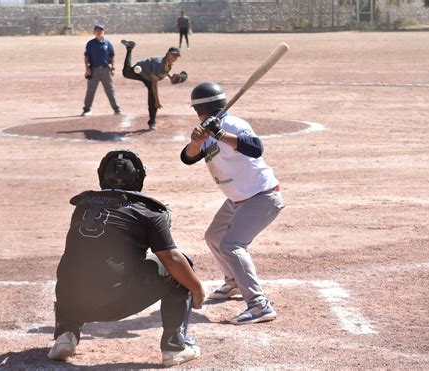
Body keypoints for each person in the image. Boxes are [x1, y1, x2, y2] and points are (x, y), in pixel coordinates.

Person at [48, 149, 205, 367]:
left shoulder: (82, 206)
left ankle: (66, 333)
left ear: (101, 176)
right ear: (140, 178)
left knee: (78, 263)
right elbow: (172, 259)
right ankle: (174, 346)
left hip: (72, 303)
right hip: (114, 304)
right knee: (181, 265)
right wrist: (196, 288)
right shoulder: (150, 211)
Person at [179, 82, 284, 325]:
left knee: (232, 244)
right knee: (214, 236)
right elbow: (187, 158)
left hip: (261, 195)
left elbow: (256, 148)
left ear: (197, 109)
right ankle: (234, 282)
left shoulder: (233, 125)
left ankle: (259, 305)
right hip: (238, 199)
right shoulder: (207, 130)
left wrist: (220, 135)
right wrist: (196, 142)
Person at [121, 40, 181, 130]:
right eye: (173, 54)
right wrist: (157, 101)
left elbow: (165, 70)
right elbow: (154, 85)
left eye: (176, 56)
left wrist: (171, 77)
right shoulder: (159, 64)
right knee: (126, 73)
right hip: (141, 70)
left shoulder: (169, 64)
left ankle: (152, 122)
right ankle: (129, 48)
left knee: (152, 99)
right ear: (167, 54)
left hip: (149, 75)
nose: (174, 57)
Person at [81, 23, 121, 117]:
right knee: (90, 90)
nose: (99, 32)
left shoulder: (108, 43)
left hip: (106, 70)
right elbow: (86, 56)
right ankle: (87, 110)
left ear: (103, 32)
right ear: (94, 32)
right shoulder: (90, 43)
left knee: (110, 90)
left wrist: (113, 67)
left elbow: (112, 55)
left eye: (101, 30)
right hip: (94, 69)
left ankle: (116, 109)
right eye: (97, 30)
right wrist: (87, 69)